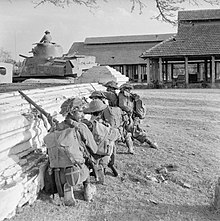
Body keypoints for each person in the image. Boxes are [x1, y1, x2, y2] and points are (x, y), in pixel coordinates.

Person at [44, 97, 97, 206]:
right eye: (81, 111)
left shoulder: (58, 127)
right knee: (88, 159)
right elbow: (94, 148)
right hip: (79, 169)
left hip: (59, 171)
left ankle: (67, 188)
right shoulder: (81, 127)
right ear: (72, 112)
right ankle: (87, 188)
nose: (83, 115)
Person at [83, 99, 120, 180]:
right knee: (112, 145)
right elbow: (115, 135)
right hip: (103, 151)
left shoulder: (89, 123)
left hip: (91, 152)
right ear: (101, 111)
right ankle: (105, 167)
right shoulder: (100, 124)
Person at [118, 83, 158, 149]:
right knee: (133, 130)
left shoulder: (123, 95)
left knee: (134, 131)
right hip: (133, 116)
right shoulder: (132, 96)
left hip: (128, 116)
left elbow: (123, 105)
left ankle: (149, 142)